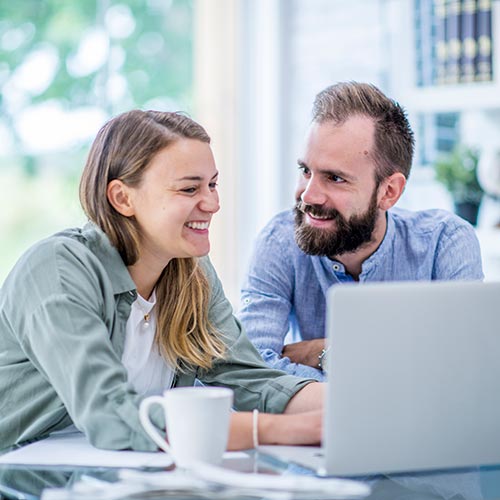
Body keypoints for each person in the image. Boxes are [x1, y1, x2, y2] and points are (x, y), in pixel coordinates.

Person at [0, 110, 323, 452]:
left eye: (212, 184)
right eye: (189, 189)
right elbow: (111, 415)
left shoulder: (191, 272)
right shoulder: (57, 269)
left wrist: (355, 406)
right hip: (27, 480)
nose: (213, 204)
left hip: (131, 477)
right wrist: (276, 430)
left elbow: (255, 382)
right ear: (123, 198)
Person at [239, 81, 484, 382]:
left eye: (335, 178)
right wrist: (404, 362)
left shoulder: (444, 242)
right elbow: (248, 373)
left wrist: (326, 353)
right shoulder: (278, 241)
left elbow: (464, 372)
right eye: (306, 171)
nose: (308, 195)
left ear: (389, 192)